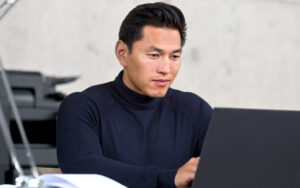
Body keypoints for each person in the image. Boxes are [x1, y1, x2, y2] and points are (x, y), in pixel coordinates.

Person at [56, 2, 212, 188]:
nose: (165, 69)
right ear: (122, 53)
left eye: (174, 57)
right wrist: (169, 178)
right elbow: (84, 170)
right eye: (154, 55)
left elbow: (223, 171)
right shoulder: (83, 107)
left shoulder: (195, 109)